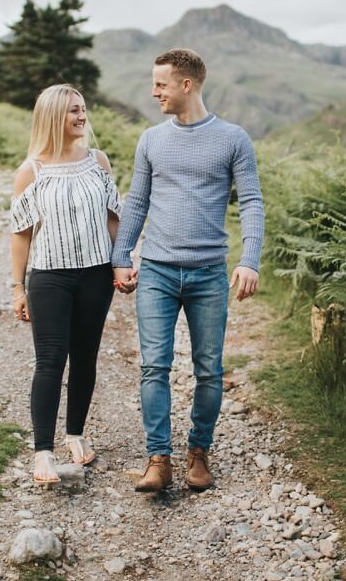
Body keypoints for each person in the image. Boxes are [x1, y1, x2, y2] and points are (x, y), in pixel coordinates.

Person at [111, 48, 264, 493]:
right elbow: (135, 202)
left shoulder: (234, 139)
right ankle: (158, 458)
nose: (154, 91)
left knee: (209, 370)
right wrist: (123, 257)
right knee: (154, 367)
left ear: (186, 84)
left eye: (160, 84)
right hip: (157, 271)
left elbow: (252, 201)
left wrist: (249, 259)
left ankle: (199, 452)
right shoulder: (151, 140)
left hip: (208, 273)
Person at [10, 84, 122, 485]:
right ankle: (43, 453)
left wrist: (120, 262)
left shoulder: (98, 161)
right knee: (50, 361)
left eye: (83, 109)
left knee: (86, 357)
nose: (82, 116)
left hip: (96, 273)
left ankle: (74, 434)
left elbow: (114, 217)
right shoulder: (32, 170)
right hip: (50, 277)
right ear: (54, 116)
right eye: (73, 110)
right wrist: (17, 288)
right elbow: (21, 233)